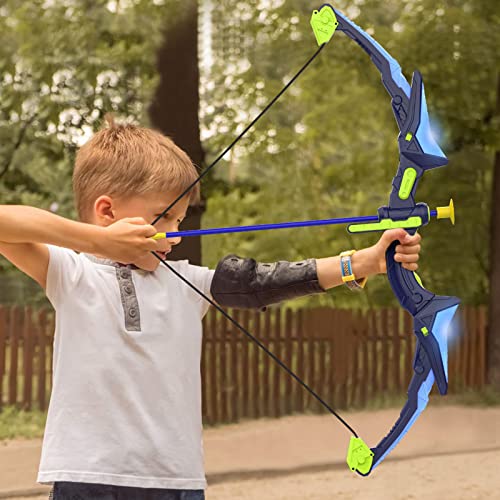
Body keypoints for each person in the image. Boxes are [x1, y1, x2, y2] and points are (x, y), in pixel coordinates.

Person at [0, 117, 421, 500]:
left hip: (176, 481)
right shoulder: (71, 273)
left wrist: (364, 262)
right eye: (163, 217)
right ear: (107, 211)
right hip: (88, 477)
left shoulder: (187, 284)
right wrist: (98, 241)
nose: (175, 235)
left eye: (180, 221)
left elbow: (263, 282)